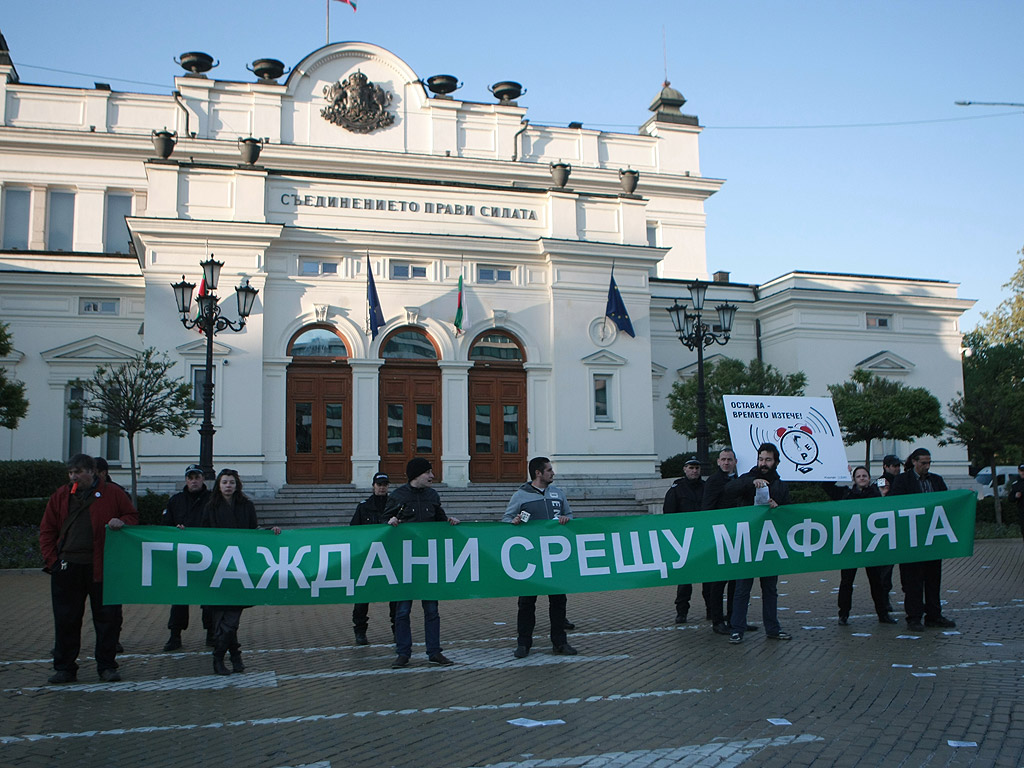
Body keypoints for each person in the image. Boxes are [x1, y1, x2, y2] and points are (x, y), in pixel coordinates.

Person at [39, 453, 137, 684]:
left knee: (107, 620)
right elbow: (47, 529)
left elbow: (132, 515)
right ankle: (64, 667)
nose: (74, 477)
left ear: (91, 472)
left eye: (78, 472)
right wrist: (52, 560)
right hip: (67, 566)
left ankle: (106, 665)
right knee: (66, 619)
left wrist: (122, 522)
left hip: (102, 567)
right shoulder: (61, 496)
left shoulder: (112, 493)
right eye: (71, 473)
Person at [202, 468, 281, 675]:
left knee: (231, 618)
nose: (228, 486)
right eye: (225, 482)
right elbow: (201, 535)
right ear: (219, 485)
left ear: (237, 485)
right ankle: (232, 657)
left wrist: (268, 533)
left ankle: (221, 657)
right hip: (218, 569)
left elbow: (252, 532)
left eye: (231, 482)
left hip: (239, 569)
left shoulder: (246, 506)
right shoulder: (210, 507)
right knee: (223, 619)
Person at [385, 458, 459, 668]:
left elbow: (440, 521)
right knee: (402, 611)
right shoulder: (398, 496)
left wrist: (450, 523)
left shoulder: (432, 495)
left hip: (428, 562)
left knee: (432, 610)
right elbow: (383, 525)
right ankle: (403, 653)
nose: (432, 476)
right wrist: (389, 522)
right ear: (417, 475)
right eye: (428, 472)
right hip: (405, 563)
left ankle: (434, 651)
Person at [503, 456, 578, 659]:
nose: (553, 473)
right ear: (538, 473)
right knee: (527, 603)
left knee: (558, 601)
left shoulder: (558, 493)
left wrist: (566, 519)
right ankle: (523, 643)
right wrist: (514, 521)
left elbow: (570, 516)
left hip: (555, 557)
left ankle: (560, 642)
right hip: (531, 558)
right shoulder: (520, 496)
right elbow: (506, 519)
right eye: (549, 470)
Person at [723, 443, 792, 644]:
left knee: (770, 589)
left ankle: (772, 628)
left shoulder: (780, 485)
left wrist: (778, 507)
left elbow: (789, 512)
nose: (763, 463)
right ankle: (737, 628)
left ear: (776, 462)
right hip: (748, 541)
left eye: (768, 460)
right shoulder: (747, 478)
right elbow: (729, 489)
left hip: (770, 544)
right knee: (742, 588)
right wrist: (752, 482)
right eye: (761, 459)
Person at [889, 448, 956, 631]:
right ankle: (914, 616)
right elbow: (896, 504)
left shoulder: (936, 480)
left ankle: (934, 615)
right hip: (911, 539)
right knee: (913, 580)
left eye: (929, 463)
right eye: (923, 463)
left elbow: (946, 502)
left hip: (932, 538)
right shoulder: (902, 481)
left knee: (933, 578)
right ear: (914, 462)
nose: (927, 466)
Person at [835, 466, 898, 626]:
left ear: (869, 478)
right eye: (858, 476)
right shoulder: (847, 494)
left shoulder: (877, 494)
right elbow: (827, 487)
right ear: (854, 479)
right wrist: (840, 472)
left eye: (864, 475)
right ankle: (843, 614)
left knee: (877, 582)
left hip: (871, 545)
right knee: (846, 581)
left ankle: (882, 613)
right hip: (851, 545)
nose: (862, 478)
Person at [160, 464, 213, 651]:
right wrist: (175, 530)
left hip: (207, 556)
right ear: (186, 480)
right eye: (190, 478)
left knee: (209, 597)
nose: (194, 481)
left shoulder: (213, 500)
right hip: (181, 557)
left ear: (203, 479)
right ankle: (175, 635)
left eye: (197, 477)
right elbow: (165, 526)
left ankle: (211, 633)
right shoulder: (176, 501)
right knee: (180, 597)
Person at [350, 472, 396, 645]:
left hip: (391, 557)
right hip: (368, 557)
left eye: (385, 484)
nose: (382, 487)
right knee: (362, 596)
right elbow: (353, 530)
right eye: (379, 484)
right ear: (373, 486)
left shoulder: (396, 505)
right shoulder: (364, 507)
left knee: (395, 596)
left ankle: (397, 630)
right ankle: (360, 631)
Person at [702, 448, 741, 635]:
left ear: (735, 461)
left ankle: (735, 619)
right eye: (723, 459)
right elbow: (708, 509)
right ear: (718, 462)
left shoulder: (739, 480)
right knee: (718, 582)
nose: (726, 462)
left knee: (736, 581)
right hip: (720, 536)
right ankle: (717, 620)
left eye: (729, 459)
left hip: (738, 535)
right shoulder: (714, 481)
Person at [662, 456, 705, 624]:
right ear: (685, 469)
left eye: (697, 468)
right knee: (685, 579)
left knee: (709, 577)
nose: (694, 471)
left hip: (703, 538)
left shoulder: (705, 487)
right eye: (691, 468)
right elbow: (669, 514)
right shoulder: (676, 488)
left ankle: (711, 609)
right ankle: (681, 611)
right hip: (684, 541)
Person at [1011, 464, 1024, 544]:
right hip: (1022, 513)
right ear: (1019, 471)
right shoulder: (1016, 484)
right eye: (1021, 471)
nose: (1023, 473)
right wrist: (1015, 496)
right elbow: (1010, 498)